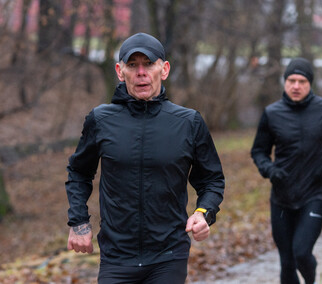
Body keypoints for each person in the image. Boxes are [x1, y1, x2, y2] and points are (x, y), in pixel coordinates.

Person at [65, 32, 225, 283]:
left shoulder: (188, 122)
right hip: (116, 257)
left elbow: (212, 180)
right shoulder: (101, 119)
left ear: (164, 69)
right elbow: (79, 172)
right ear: (120, 71)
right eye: (132, 65)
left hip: (168, 255)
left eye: (149, 64)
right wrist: (78, 223)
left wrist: (203, 212)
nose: (141, 72)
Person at [251, 57, 322, 284]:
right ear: (285, 82)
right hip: (281, 197)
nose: (296, 86)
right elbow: (259, 151)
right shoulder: (272, 113)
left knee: (301, 253)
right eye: (291, 80)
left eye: (302, 81)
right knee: (287, 262)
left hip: (314, 194)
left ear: (310, 83)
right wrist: (269, 170)